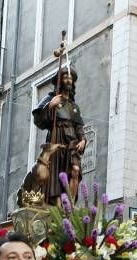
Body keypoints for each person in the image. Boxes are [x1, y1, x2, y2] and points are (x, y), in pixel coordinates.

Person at [30, 66, 87, 205]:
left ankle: (71, 204)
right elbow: (39, 120)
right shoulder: (51, 99)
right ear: (60, 80)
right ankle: (57, 202)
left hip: (71, 142)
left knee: (75, 170)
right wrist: (50, 105)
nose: (68, 80)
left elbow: (79, 127)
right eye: (65, 77)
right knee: (56, 172)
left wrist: (83, 140)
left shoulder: (74, 106)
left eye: (70, 78)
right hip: (57, 138)